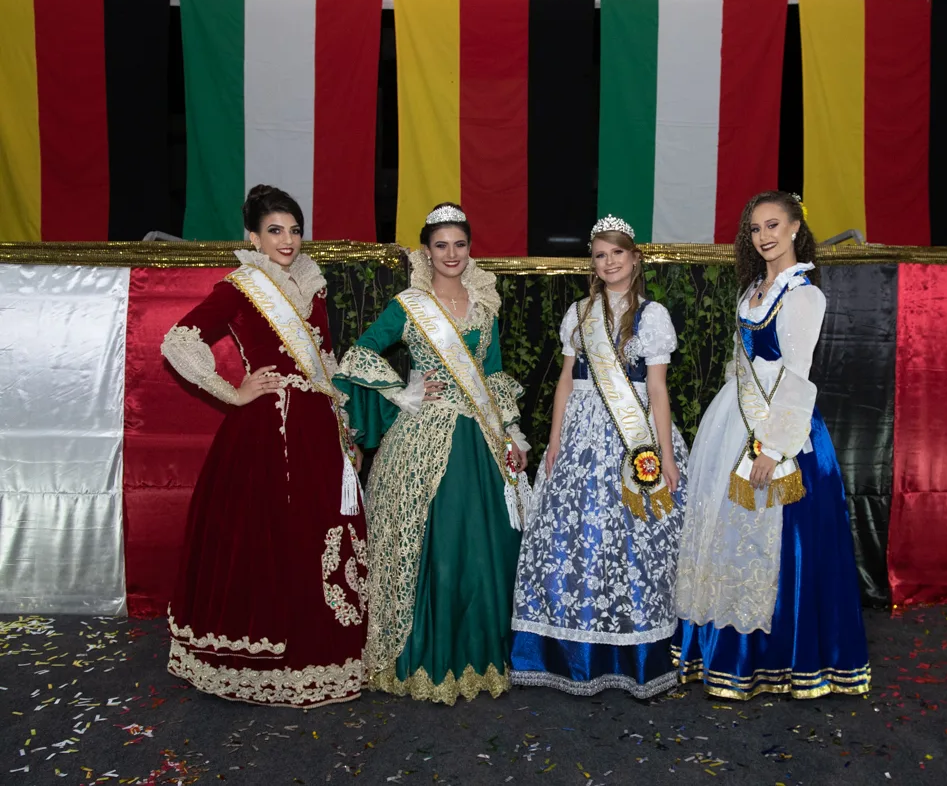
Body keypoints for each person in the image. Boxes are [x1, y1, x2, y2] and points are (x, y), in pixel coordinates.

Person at [160, 184, 367, 708]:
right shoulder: (242, 286)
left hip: (318, 426)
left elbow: (328, 359)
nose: (288, 240)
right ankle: (266, 658)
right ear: (252, 236)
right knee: (272, 536)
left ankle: (327, 652)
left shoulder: (313, 286)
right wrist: (234, 391)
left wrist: (345, 427)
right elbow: (179, 340)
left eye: (295, 230)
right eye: (275, 230)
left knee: (323, 533)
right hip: (269, 430)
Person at [673, 191, 870, 700]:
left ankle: (777, 661)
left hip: (782, 433)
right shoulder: (752, 291)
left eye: (773, 225)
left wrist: (771, 449)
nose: (764, 236)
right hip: (733, 420)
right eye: (756, 228)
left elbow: (798, 378)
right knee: (725, 534)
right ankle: (720, 653)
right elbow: (743, 367)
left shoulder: (804, 295)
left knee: (776, 544)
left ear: (796, 227)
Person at [334, 203, 531, 705]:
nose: (451, 253)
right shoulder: (408, 304)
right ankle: (421, 652)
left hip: (480, 439)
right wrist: (405, 390)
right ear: (427, 250)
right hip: (423, 436)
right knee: (435, 549)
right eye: (441, 245)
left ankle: (484, 655)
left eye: (459, 244)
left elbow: (495, 375)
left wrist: (512, 435)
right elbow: (359, 353)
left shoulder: (485, 306)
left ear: (469, 249)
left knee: (483, 547)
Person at [510, 216, 689, 698]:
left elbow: (656, 389)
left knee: (631, 537)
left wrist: (666, 456)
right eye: (599, 255)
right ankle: (567, 648)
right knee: (576, 535)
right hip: (581, 433)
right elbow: (566, 380)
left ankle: (635, 650)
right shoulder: (579, 312)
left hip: (633, 440)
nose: (608, 262)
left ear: (634, 258)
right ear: (593, 263)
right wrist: (554, 439)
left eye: (617, 253)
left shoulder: (652, 316)